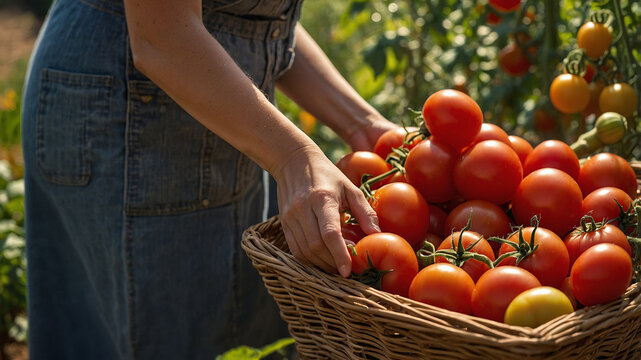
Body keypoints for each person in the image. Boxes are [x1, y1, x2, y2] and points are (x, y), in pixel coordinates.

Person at [21, 0, 397, 358]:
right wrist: (293, 157)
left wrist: (363, 126)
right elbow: (161, 36)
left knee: (235, 329)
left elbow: (251, 18)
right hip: (130, 117)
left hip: (216, 115)